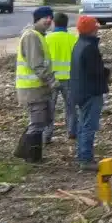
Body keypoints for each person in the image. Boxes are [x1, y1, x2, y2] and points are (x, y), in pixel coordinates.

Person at [67, 15, 111, 172]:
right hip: (91, 92)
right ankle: (86, 159)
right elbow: (96, 72)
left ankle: (82, 155)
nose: (98, 28)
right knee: (89, 126)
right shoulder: (89, 48)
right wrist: (107, 73)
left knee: (82, 124)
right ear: (92, 29)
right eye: (96, 26)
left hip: (79, 91)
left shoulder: (78, 44)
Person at [14, 6, 55, 159]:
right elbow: (36, 64)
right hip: (32, 88)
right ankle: (31, 156)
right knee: (37, 122)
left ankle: (26, 152)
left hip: (38, 87)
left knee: (41, 121)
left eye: (51, 17)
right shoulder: (32, 36)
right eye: (45, 17)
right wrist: (51, 80)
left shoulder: (39, 35)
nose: (49, 20)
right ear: (37, 19)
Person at [43, 11, 76, 144]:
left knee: (49, 108)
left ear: (54, 23)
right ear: (66, 24)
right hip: (69, 78)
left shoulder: (47, 39)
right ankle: (72, 131)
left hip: (51, 79)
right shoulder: (73, 39)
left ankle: (46, 135)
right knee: (71, 107)